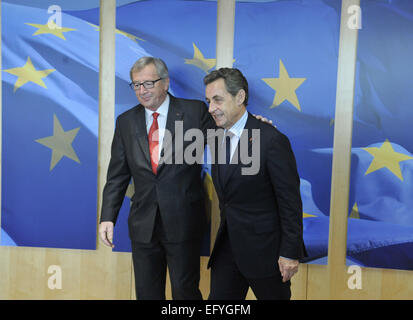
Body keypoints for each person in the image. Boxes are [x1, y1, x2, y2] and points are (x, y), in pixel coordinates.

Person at [99, 56, 214, 300]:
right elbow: (117, 175)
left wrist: (254, 127)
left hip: (183, 220)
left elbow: (226, 140)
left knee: (185, 293)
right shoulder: (126, 122)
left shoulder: (194, 111)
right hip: (143, 225)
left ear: (166, 83)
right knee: (147, 294)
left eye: (148, 83)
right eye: (136, 85)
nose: (142, 91)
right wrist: (108, 217)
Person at [204, 67, 306, 300]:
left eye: (217, 100)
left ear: (240, 97)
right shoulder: (217, 138)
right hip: (227, 252)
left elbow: (290, 203)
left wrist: (290, 253)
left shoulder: (271, 140)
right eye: (208, 101)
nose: (211, 108)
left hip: (267, 256)